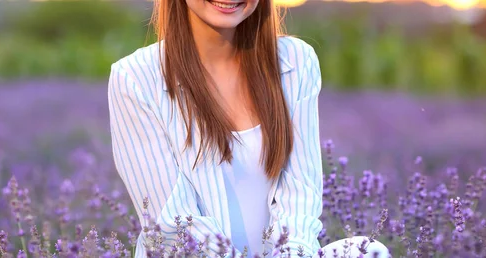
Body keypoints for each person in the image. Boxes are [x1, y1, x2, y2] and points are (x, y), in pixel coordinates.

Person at [107, 0, 390, 256]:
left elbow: (300, 197)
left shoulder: (296, 62)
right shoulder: (135, 78)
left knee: (369, 251)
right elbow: (172, 224)